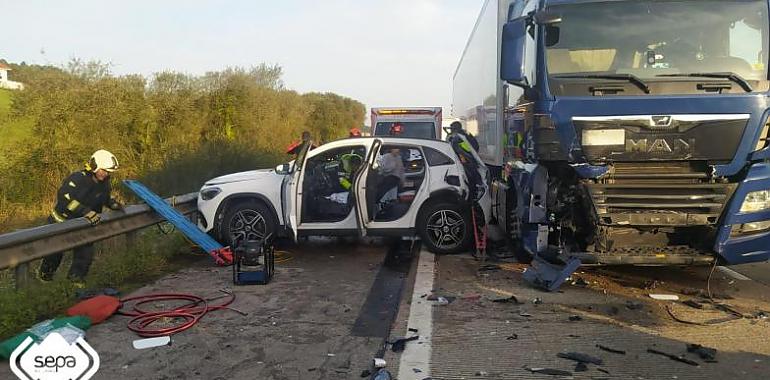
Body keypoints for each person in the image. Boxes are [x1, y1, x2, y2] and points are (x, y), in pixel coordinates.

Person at [38, 150, 124, 283]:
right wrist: (85, 212)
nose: (105, 174)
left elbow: (104, 198)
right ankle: (44, 282)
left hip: (84, 226)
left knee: (85, 257)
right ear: (94, 166)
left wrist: (113, 204)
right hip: (61, 223)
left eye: (108, 172)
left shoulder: (104, 183)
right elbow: (65, 199)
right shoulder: (78, 178)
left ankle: (75, 285)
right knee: (54, 255)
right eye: (103, 170)